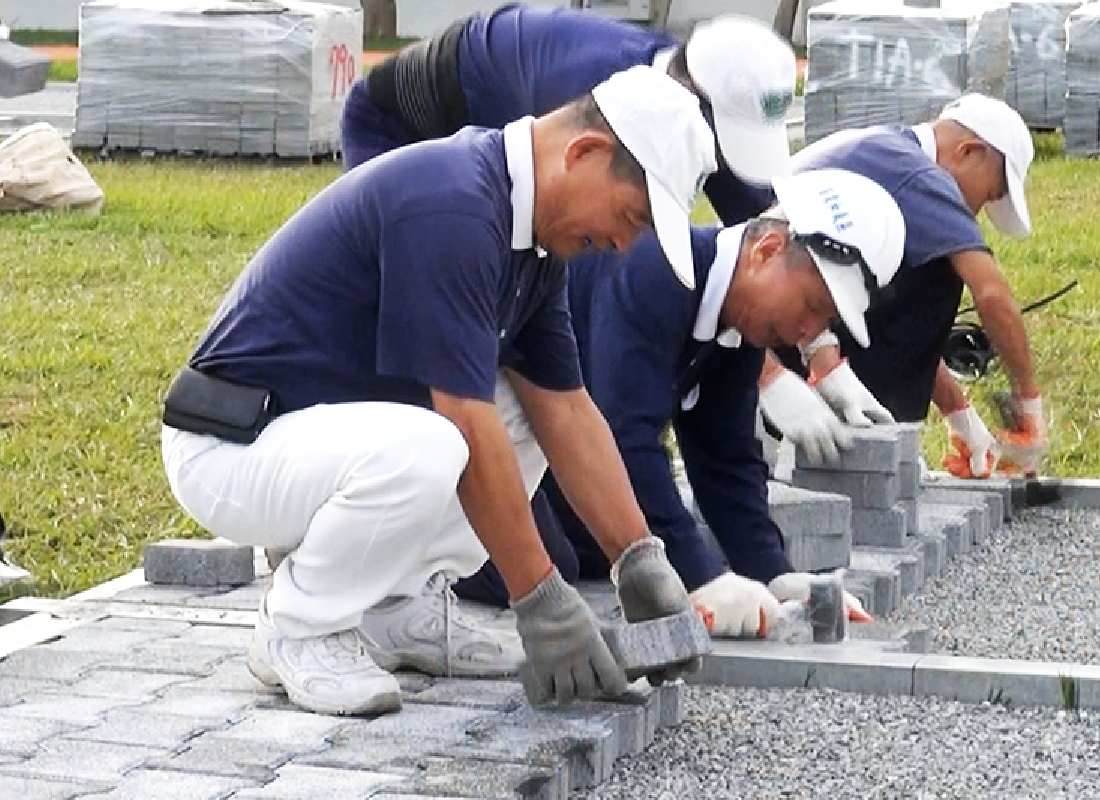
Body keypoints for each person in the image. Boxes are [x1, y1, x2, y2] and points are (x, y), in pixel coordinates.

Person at [160, 66, 717, 717]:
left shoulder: (530, 244)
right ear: (584, 153)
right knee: (435, 444)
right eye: (630, 217)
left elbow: (565, 410)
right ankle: (298, 627)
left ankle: (396, 608)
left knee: (518, 414)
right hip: (231, 447)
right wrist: (540, 599)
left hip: (311, 443)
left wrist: (637, 558)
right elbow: (464, 421)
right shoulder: (453, 206)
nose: (623, 244)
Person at [457, 169, 907, 638]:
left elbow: (726, 458)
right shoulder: (658, 266)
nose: (808, 332)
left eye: (825, 321)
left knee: (596, 554)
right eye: (813, 305)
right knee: (550, 566)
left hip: (556, 456)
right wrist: (703, 577)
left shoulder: (740, 325)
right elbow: (624, 435)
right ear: (767, 250)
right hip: (484, 423)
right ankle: (415, 572)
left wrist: (772, 573)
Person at [758, 93, 1047, 478]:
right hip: (768, 332)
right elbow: (992, 294)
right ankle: (850, 445)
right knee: (942, 274)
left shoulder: (889, 152)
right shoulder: (921, 178)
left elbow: (904, 327)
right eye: (989, 194)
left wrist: (958, 413)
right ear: (968, 151)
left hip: (773, 325)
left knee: (922, 263)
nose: (975, 212)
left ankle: (875, 443)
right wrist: (1028, 403)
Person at [342, 4, 798, 233]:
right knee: (419, 282)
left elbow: (760, 225)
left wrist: (816, 352)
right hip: (396, 125)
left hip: (486, 114)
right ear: (691, 98)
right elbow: (577, 268)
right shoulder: (590, 103)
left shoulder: (686, 86)